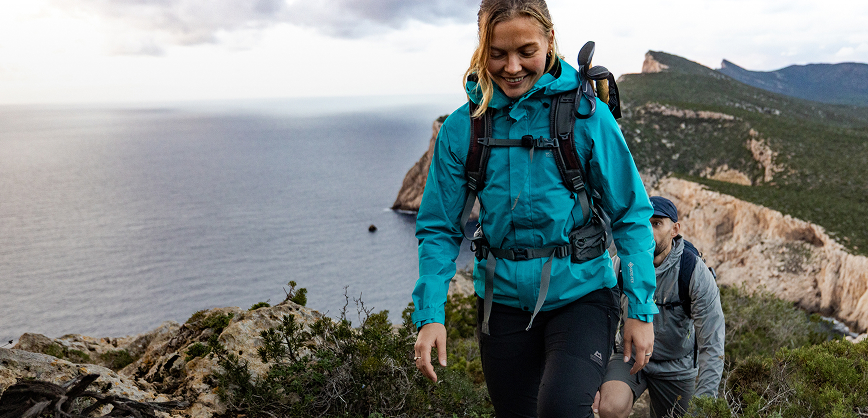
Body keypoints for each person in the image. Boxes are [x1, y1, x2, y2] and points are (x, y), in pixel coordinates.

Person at [410, 1, 659, 416]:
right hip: (501, 303)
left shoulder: (587, 117)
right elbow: (439, 227)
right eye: (497, 53)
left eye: (526, 51)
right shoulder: (464, 127)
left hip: (582, 294)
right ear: (481, 49)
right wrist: (430, 314)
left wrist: (641, 309)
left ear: (550, 41)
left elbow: (631, 214)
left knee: (561, 409)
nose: (511, 67)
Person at [594, 196, 725, 418]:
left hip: (677, 366)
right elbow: (599, 323)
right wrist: (593, 379)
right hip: (630, 356)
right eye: (644, 223)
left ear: (674, 229)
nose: (649, 230)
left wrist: (704, 406)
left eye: (657, 223)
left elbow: (712, 345)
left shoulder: (693, 272)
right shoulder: (622, 265)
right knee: (609, 407)